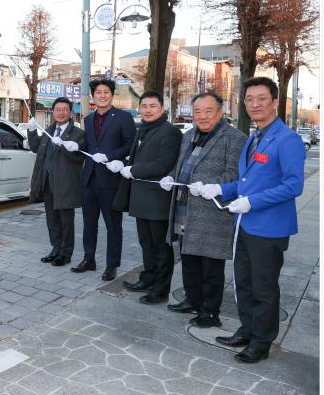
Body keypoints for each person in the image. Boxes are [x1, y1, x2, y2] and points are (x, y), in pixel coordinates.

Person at [199, 77, 305, 363]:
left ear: (274, 102)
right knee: (243, 282)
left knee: (264, 288)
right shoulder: (254, 136)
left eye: (261, 98)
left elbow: (294, 185)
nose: (254, 104)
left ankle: (261, 341)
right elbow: (247, 181)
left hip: (268, 228)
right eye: (249, 99)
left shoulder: (287, 139)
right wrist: (222, 189)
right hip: (245, 225)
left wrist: (252, 202)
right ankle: (247, 329)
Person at [158, 92, 247, 327]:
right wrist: (169, 178)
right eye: (198, 111)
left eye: (209, 111)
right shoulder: (189, 136)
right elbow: (180, 167)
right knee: (188, 260)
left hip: (212, 214)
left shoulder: (235, 138)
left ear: (220, 112)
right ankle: (192, 300)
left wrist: (214, 186)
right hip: (184, 207)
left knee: (211, 267)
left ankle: (210, 312)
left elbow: (235, 175)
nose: (203, 116)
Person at [106, 91, 182, 303]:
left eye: (152, 106)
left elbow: (163, 164)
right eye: (144, 106)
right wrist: (125, 163)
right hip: (141, 197)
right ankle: (148, 279)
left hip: (158, 200)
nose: (148, 110)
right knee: (146, 243)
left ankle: (160, 289)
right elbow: (139, 156)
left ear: (162, 109)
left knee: (161, 248)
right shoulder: (144, 129)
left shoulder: (170, 132)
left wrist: (134, 169)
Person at [72, 78, 136, 281]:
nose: (102, 95)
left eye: (106, 92)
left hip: (110, 180)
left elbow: (130, 145)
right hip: (89, 179)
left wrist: (111, 156)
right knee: (89, 223)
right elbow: (91, 147)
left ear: (112, 94)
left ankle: (112, 265)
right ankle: (89, 259)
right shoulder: (88, 119)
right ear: (93, 96)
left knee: (112, 225)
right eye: (98, 92)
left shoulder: (124, 117)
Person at [26, 97, 86, 267]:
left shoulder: (78, 134)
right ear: (52, 112)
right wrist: (31, 131)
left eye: (64, 109)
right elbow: (36, 148)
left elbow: (78, 157)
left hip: (66, 184)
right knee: (52, 220)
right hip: (47, 183)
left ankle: (65, 254)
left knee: (66, 221)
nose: (61, 112)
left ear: (70, 113)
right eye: (57, 109)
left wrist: (65, 146)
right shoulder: (49, 130)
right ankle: (56, 249)